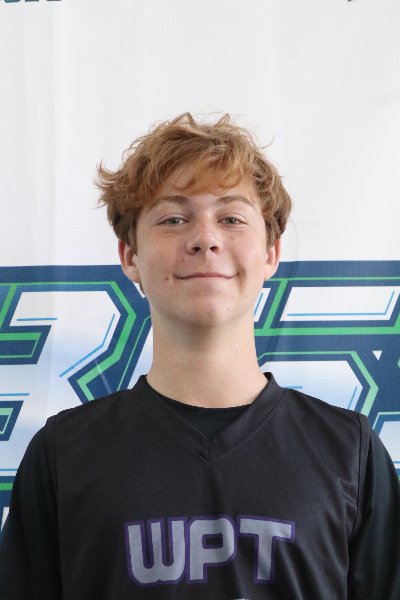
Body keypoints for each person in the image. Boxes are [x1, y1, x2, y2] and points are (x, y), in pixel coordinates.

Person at [0, 113, 399, 600]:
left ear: (271, 253)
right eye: (173, 219)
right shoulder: (62, 455)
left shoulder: (350, 453)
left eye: (231, 218)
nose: (205, 239)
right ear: (130, 256)